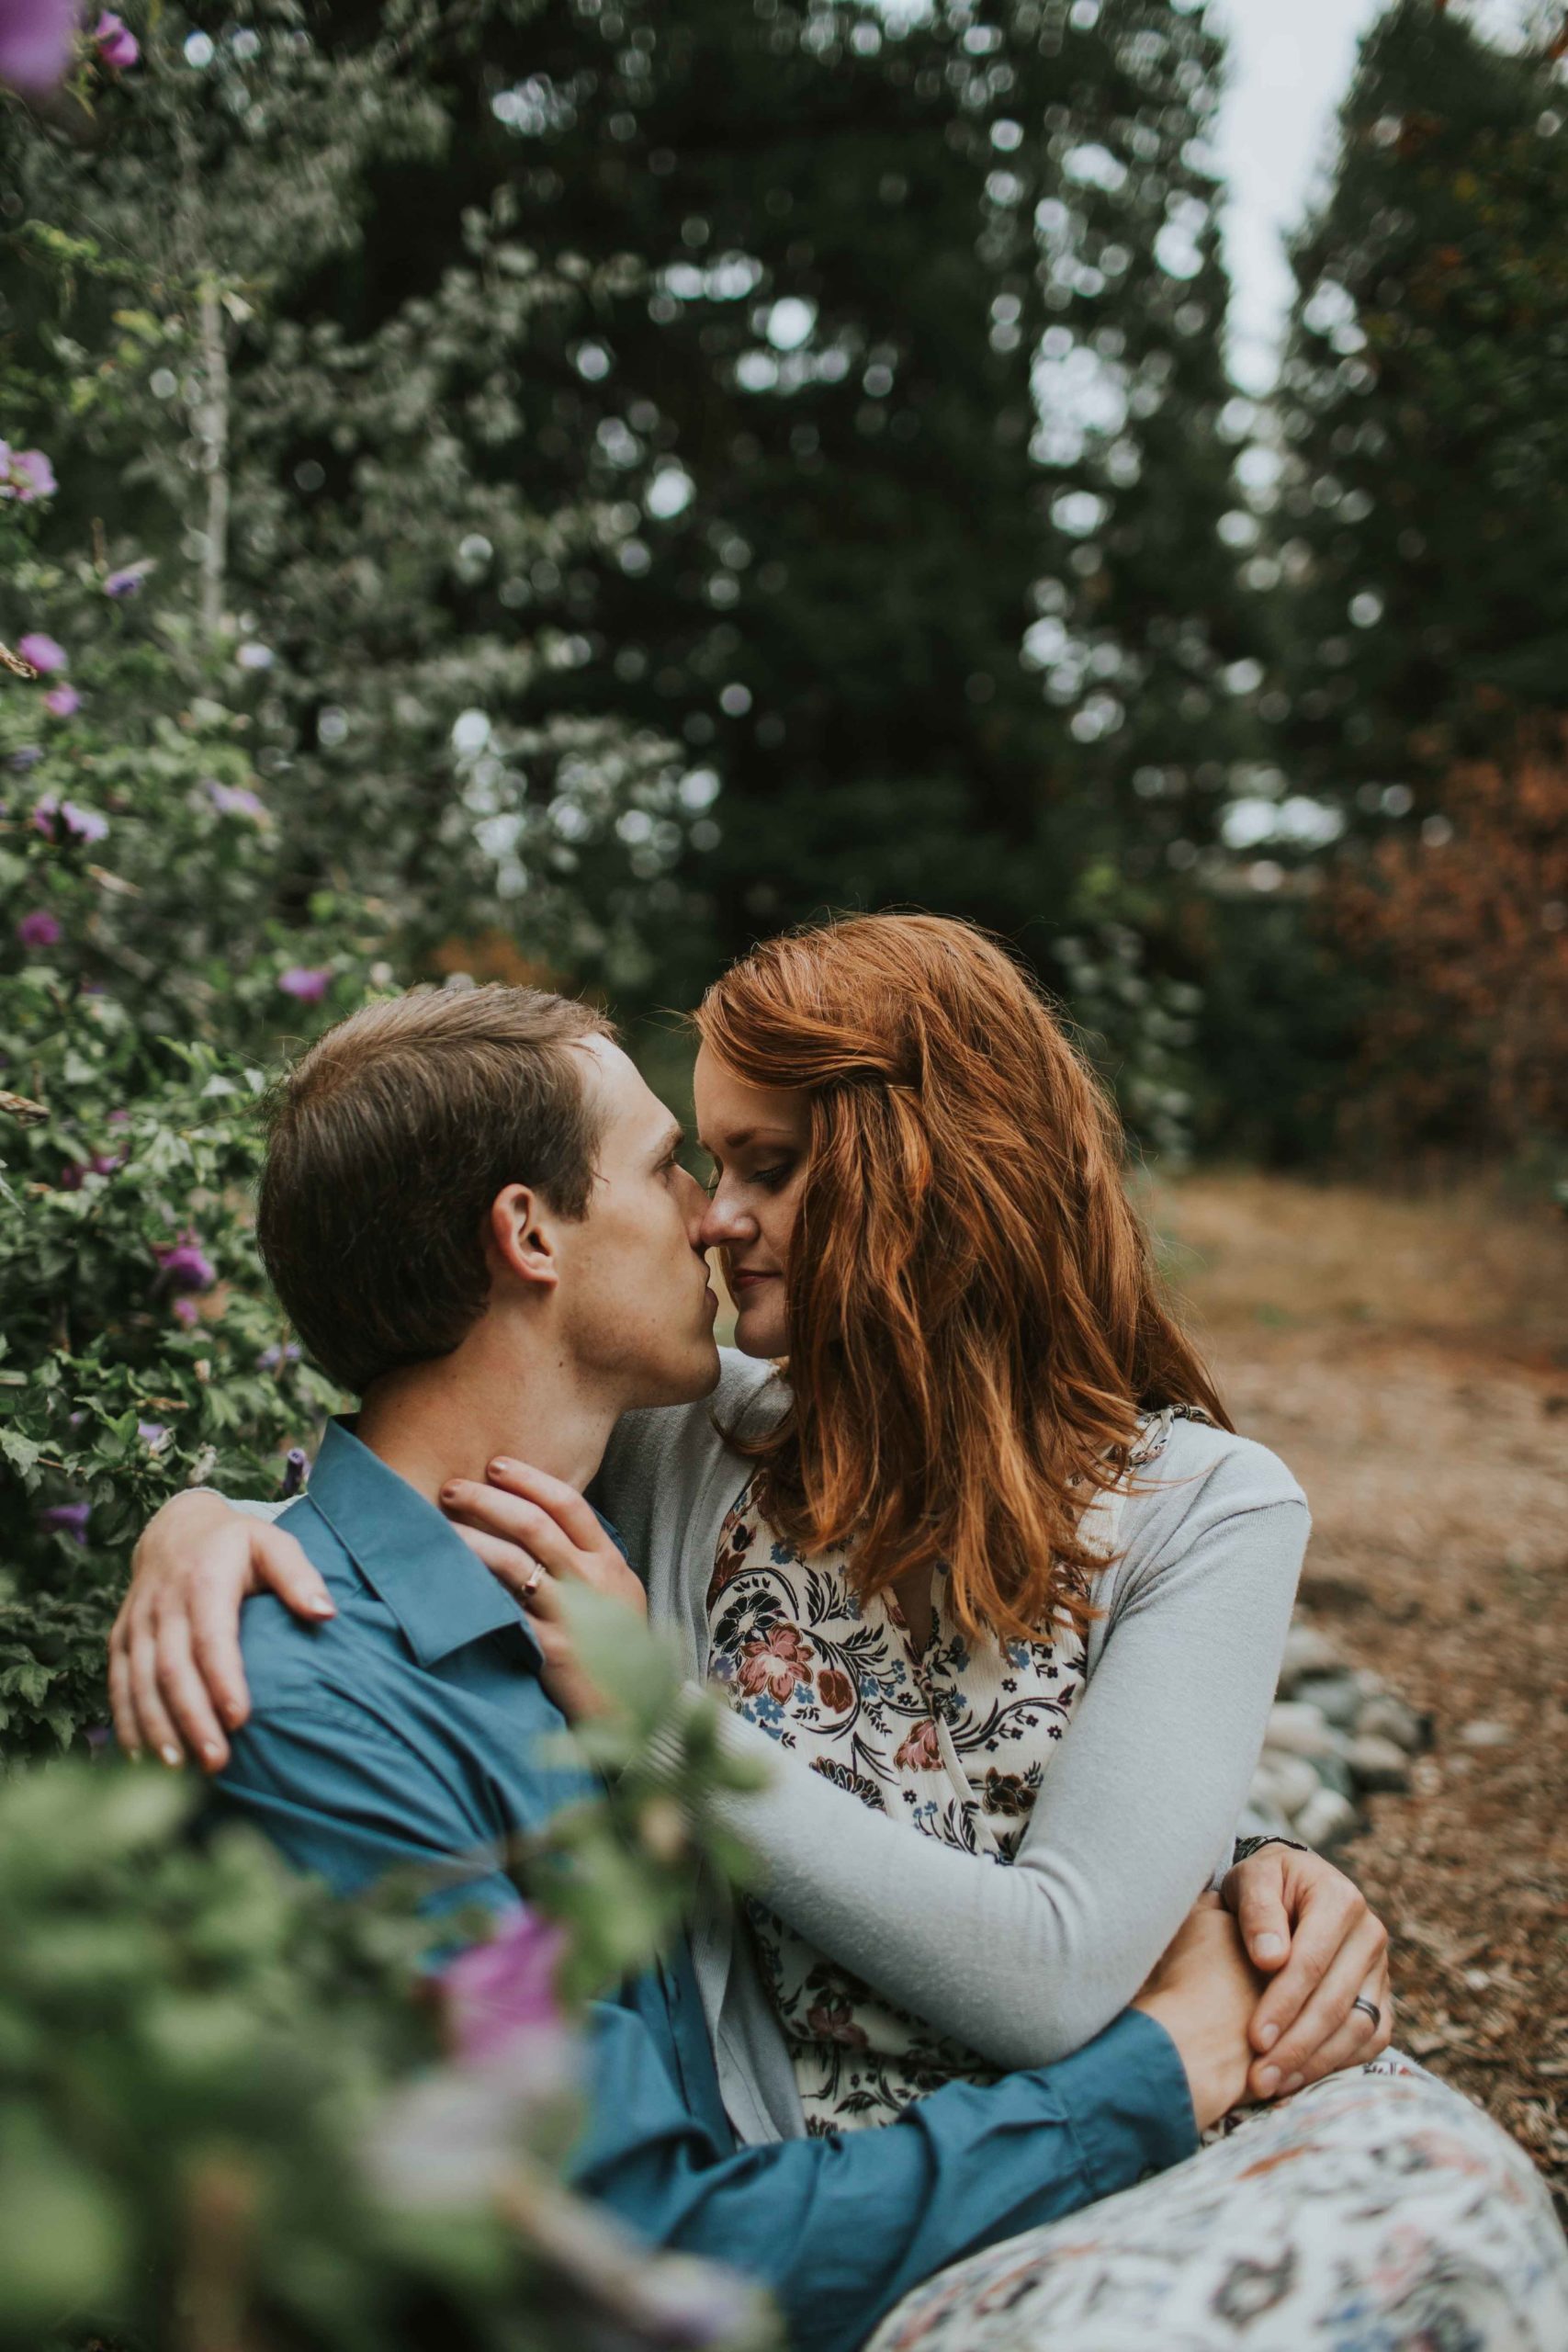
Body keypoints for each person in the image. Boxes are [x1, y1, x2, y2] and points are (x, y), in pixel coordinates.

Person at [118, 943, 1568, 2345]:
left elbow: (441, 1462)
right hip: (894, 2186)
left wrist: (1249, 1871)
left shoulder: (1194, 1501)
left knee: (1464, 2216)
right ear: (531, 1228)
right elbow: (420, 1470)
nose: (709, 1216)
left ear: (913, 1172)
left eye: (762, 1165)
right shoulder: (669, 1453)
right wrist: (214, 1518)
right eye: (685, 1161)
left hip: (1091, 2120)